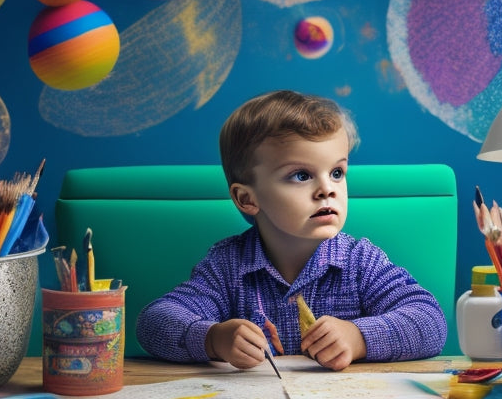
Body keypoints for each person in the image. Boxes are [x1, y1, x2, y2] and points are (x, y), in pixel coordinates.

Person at [136, 90, 447, 371]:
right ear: (248, 198)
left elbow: (430, 321)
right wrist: (214, 339)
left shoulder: (361, 261)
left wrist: (358, 337)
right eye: (301, 176)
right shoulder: (227, 266)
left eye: (337, 172)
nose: (327, 189)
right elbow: (153, 322)